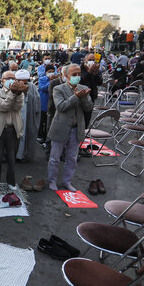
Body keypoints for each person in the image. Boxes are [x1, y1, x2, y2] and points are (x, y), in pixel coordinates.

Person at [47, 64, 93, 192]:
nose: (77, 77)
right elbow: (61, 106)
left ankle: (67, 182)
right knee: (54, 158)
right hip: (60, 127)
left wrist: (83, 98)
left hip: (76, 129)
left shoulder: (84, 88)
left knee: (72, 159)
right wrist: (76, 97)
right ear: (66, 76)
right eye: (74, 74)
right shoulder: (58, 89)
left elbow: (88, 107)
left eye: (79, 74)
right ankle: (52, 181)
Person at [0, 71, 25, 191]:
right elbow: (3, 107)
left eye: (13, 78)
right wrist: (13, 93)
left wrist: (17, 94)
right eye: (7, 78)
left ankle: (11, 181)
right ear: (2, 80)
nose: (10, 80)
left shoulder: (20, 93)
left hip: (13, 129)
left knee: (12, 157)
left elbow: (17, 107)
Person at [15, 69, 40, 162]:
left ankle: (23, 155)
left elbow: (36, 100)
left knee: (27, 134)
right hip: (17, 115)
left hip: (28, 115)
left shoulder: (32, 87)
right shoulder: (14, 87)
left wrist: (26, 93)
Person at [80, 54, 103, 127]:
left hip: (92, 96)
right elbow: (81, 81)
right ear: (85, 60)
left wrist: (95, 74)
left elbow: (100, 83)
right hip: (81, 96)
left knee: (87, 117)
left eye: (93, 60)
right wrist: (89, 72)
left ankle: (85, 133)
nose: (92, 62)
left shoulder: (96, 70)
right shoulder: (80, 69)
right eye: (89, 60)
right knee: (80, 117)